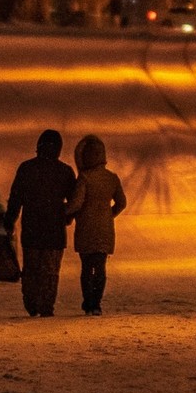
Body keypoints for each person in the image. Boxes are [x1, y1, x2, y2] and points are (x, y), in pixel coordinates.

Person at [4, 129, 75, 317]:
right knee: (50, 273)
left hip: (32, 230)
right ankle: (46, 306)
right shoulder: (65, 172)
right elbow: (74, 201)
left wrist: (9, 221)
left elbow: (15, 198)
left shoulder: (26, 169)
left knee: (31, 270)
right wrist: (67, 217)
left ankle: (32, 303)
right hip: (55, 232)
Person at [64, 133, 127, 315]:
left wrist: (62, 211)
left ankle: (88, 303)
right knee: (100, 267)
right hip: (105, 229)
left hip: (85, 228)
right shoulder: (112, 178)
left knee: (86, 267)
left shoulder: (84, 178)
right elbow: (122, 203)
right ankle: (97, 303)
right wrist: (109, 215)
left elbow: (76, 203)